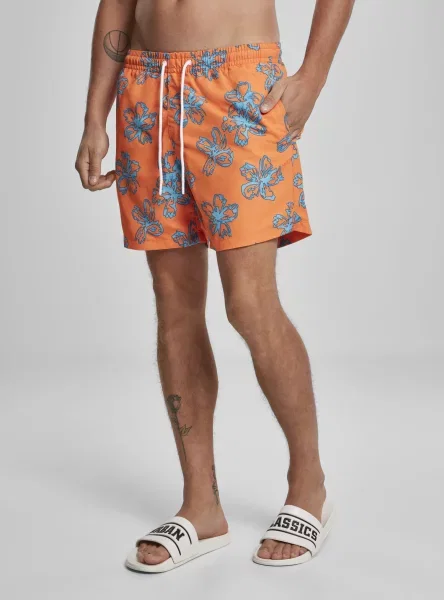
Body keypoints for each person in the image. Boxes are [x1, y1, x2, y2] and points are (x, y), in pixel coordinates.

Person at [75, 0, 354, 572]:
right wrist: (93, 116)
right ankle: (201, 506)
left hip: (238, 87)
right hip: (146, 90)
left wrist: (313, 77)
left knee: (250, 304)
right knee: (175, 307)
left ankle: (309, 484)